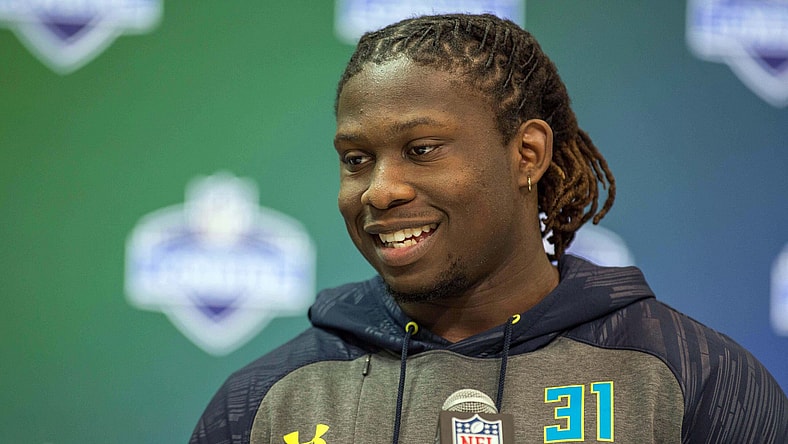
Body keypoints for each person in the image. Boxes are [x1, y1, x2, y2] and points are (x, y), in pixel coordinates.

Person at [190, 13, 787, 443]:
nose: (379, 190)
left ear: (527, 154)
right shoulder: (267, 401)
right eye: (356, 160)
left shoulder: (691, 380)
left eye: (422, 149)